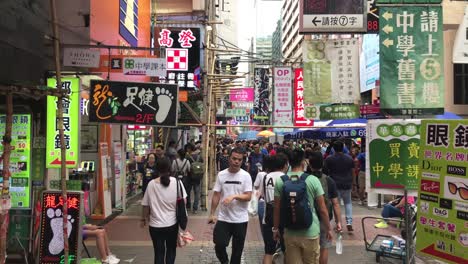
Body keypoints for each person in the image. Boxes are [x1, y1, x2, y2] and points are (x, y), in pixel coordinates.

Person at [273, 149, 333, 264]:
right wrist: (328, 229)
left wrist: (275, 229)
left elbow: (277, 208)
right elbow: (322, 209)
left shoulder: (281, 181)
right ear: (303, 162)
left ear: (289, 163)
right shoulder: (313, 180)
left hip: (290, 232)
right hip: (310, 232)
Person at [209, 147, 252, 264]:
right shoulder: (221, 175)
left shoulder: (246, 176)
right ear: (229, 159)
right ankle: (224, 261)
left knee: (237, 253)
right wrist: (212, 213)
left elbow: (248, 196)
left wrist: (234, 196)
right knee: (219, 244)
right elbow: (216, 194)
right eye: (234, 159)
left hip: (241, 219)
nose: (236, 161)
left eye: (239, 159)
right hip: (224, 218)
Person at [141, 157, 187, 264]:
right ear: (170, 168)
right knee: (171, 251)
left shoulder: (151, 184)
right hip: (172, 224)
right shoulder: (177, 182)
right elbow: (183, 201)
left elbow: (145, 205)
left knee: (158, 253)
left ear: (157, 168)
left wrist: (143, 219)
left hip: (155, 226)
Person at [307, 152, 342, 264]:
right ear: (322, 164)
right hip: (324, 218)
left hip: (308, 219)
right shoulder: (329, 181)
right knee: (324, 247)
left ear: (310, 165)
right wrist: (338, 222)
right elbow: (336, 203)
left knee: (310, 249)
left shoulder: (305, 179)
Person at [258, 154, 288, 264]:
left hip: (268, 218)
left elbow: (261, 195)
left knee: (268, 252)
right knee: (287, 251)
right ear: (285, 165)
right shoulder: (286, 178)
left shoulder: (266, 177)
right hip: (285, 219)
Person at [324, 141, 355, 232]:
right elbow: (352, 171)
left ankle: (339, 223)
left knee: (336, 204)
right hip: (347, 183)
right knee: (348, 203)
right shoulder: (349, 158)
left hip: (335, 184)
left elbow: (325, 172)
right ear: (343, 147)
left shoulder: (329, 159)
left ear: (334, 148)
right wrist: (353, 182)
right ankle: (349, 222)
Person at [185, 144, 203, 214]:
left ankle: (188, 206)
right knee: (196, 193)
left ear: (189, 149)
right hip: (198, 177)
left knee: (188, 192)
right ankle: (195, 208)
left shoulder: (187, 157)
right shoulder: (199, 156)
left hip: (189, 176)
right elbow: (202, 163)